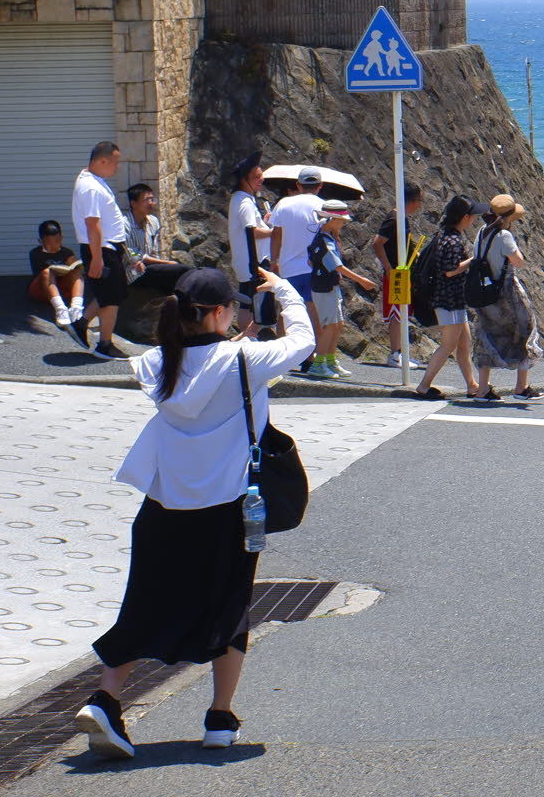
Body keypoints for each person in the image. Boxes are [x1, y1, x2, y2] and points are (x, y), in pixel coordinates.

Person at [71, 266, 315, 760]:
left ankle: (106, 698)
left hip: (164, 503)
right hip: (228, 507)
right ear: (223, 312)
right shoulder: (245, 359)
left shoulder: (156, 362)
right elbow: (305, 339)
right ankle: (219, 719)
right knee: (229, 604)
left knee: (145, 601)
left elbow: (190, 365)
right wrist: (284, 289)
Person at [468, 193, 543, 402]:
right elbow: (518, 262)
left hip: (484, 292)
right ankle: (521, 387)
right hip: (506, 292)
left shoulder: (482, 232)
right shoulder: (504, 236)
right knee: (525, 332)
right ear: (509, 217)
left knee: (486, 334)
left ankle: (483, 389)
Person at [412, 197, 480, 401]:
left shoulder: (444, 235)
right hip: (448, 300)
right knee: (448, 345)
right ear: (465, 217)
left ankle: (472, 385)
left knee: (464, 344)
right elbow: (450, 271)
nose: (474, 219)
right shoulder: (452, 240)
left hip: (452, 300)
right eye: (473, 216)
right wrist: (473, 260)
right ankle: (424, 386)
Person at [300, 201, 377, 379]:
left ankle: (330, 360)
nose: (343, 223)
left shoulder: (326, 237)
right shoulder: (325, 240)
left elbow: (311, 262)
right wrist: (362, 280)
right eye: (341, 220)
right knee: (329, 326)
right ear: (333, 219)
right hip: (324, 287)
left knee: (337, 325)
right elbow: (337, 266)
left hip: (328, 285)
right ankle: (319, 364)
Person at [71, 141, 131, 359]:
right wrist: (97, 258)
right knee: (111, 298)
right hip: (101, 249)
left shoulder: (95, 181)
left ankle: (81, 323)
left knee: (114, 293)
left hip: (107, 248)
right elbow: (92, 224)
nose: (117, 167)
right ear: (103, 160)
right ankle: (105, 344)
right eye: (115, 162)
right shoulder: (90, 187)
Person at [266, 168, 328, 348]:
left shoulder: (284, 204)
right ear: (320, 186)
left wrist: (273, 261)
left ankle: (282, 354)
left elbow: (276, 235)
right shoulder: (324, 206)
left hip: (287, 267)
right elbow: (331, 238)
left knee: (287, 310)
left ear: (299, 185)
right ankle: (313, 356)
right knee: (314, 312)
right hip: (315, 268)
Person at [368, 183, 422, 368]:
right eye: (419, 201)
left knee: (402, 312)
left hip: (403, 271)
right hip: (396, 273)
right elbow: (377, 242)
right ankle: (394, 354)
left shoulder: (401, 218)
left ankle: (400, 353)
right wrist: (388, 267)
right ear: (413, 201)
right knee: (396, 313)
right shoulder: (394, 218)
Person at [226, 156, 275, 332]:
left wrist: (264, 222)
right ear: (244, 179)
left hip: (248, 259)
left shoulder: (243, 199)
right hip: (251, 261)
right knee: (251, 300)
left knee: (249, 300)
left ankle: (248, 336)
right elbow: (251, 231)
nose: (261, 180)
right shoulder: (244, 201)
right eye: (256, 177)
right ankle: (248, 336)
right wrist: (273, 232)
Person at [122, 183, 183, 298]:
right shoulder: (123, 225)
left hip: (150, 268)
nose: (151, 203)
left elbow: (155, 251)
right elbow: (133, 254)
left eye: (152, 199)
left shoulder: (153, 222)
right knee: (177, 269)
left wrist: (162, 265)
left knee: (179, 273)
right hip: (132, 271)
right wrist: (167, 264)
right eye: (146, 200)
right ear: (133, 203)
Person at [27, 221, 84, 331]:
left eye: (57, 241)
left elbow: (73, 263)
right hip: (41, 290)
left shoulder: (67, 252)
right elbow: (39, 274)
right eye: (49, 242)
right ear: (40, 241)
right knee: (47, 272)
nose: (53, 245)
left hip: (62, 289)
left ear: (61, 238)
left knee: (76, 271)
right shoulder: (35, 253)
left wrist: (74, 264)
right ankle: (60, 309)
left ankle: (76, 308)